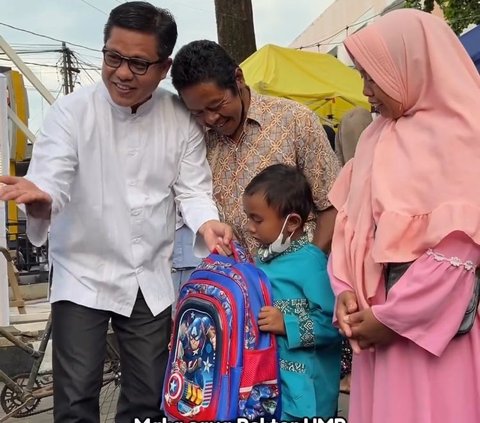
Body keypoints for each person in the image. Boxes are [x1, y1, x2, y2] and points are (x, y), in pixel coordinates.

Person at [0, 2, 232, 422]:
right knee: (76, 398)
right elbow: (53, 174)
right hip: (82, 273)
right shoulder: (72, 112)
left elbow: (194, 189)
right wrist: (42, 197)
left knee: (149, 396)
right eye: (113, 57)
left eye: (139, 64)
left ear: (164, 67)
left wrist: (209, 223)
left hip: (149, 276)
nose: (122, 73)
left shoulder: (180, 118)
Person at [328, 9, 480, 423]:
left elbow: (460, 252)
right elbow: (349, 229)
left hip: (434, 336)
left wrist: (392, 320)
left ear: (410, 66)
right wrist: (344, 290)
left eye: (372, 76)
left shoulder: (463, 136)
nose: (365, 91)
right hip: (375, 331)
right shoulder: (375, 138)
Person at [170, 40, 340, 256]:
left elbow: (332, 204)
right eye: (198, 112)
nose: (211, 118)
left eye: (217, 105)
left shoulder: (295, 121)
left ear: (238, 79)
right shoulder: (199, 142)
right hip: (243, 284)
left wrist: (304, 267)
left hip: (301, 284)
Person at [243, 164, 342, 420]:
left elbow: (334, 325)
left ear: (292, 222)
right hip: (272, 386)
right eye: (248, 217)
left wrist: (287, 324)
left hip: (309, 395)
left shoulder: (312, 264)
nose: (250, 227)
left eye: (258, 219)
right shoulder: (259, 261)